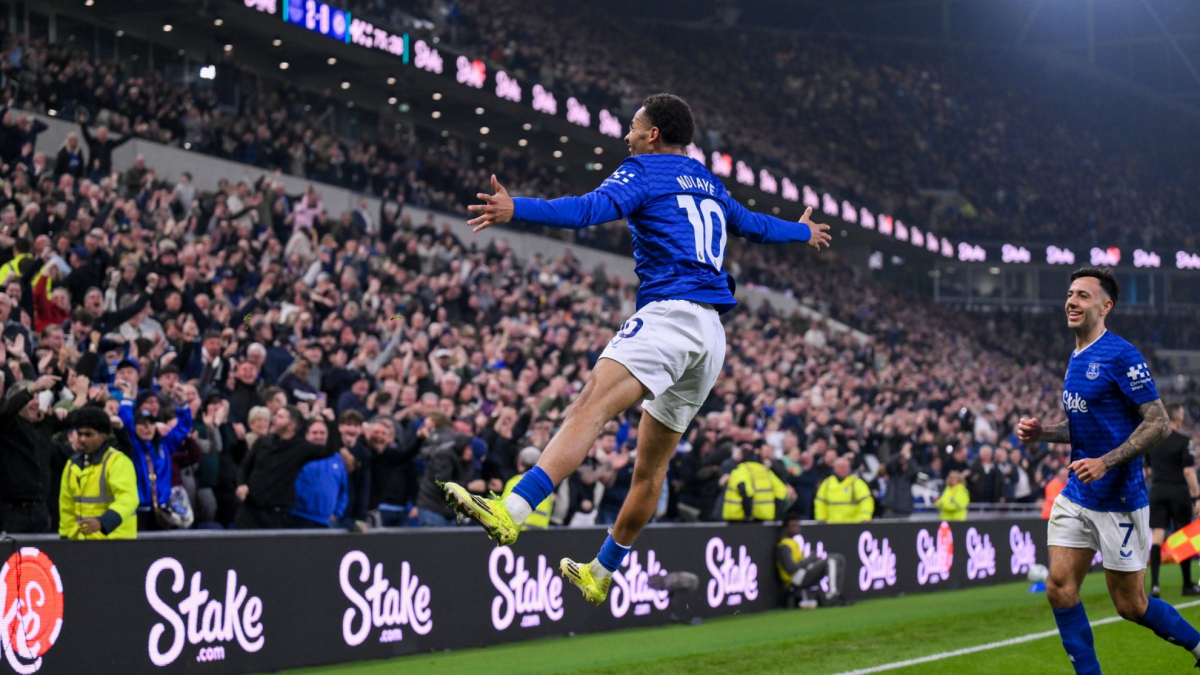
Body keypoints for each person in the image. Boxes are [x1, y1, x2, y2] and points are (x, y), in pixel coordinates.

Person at [440, 92, 831, 605]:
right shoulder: (709, 182)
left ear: (652, 134)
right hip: (712, 337)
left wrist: (519, 208)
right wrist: (801, 230)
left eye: (633, 127)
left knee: (590, 406)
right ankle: (602, 570)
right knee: (650, 470)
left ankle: (512, 510)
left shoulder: (643, 170)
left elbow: (587, 210)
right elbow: (755, 225)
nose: (626, 136)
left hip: (671, 315)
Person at [1017, 267, 1200, 674]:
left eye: (1083, 295)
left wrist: (1106, 461)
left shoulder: (1121, 355)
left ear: (1105, 306)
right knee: (1059, 588)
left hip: (1119, 499)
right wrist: (1043, 433)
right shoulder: (1076, 356)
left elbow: (1158, 423)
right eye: (1070, 294)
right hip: (1077, 494)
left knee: (1131, 605)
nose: (1072, 301)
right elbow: (1085, 426)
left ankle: (1198, 644)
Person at [235, 405, 337, 529]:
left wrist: (330, 422)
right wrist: (241, 484)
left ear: (291, 426)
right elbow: (244, 467)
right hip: (248, 511)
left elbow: (328, 450)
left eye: (280, 417)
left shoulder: (301, 448)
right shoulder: (263, 441)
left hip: (275, 515)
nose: (274, 418)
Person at [0, 374, 67, 533]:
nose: (36, 402)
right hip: (11, 512)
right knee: (12, 550)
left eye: (37, 397)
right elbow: (6, 412)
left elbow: (74, 418)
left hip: (41, 510)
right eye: (31, 398)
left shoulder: (42, 426)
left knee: (42, 550)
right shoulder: (6, 425)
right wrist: (32, 389)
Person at [59, 407, 139, 540]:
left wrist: (103, 522)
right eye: (79, 434)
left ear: (103, 437)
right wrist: (65, 536)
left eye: (88, 435)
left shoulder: (117, 462)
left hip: (116, 541)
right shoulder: (71, 465)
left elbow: (128, 499)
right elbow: (66, 506)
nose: (82, 439)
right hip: (83, 542)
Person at [1146, 402, 1200, 599]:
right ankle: (1187, 584)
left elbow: (1148, 468)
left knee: (1157, 536)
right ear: (1177, 416)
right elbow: (1188, 471)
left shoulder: (1153, 442)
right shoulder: (1184, 441)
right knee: (1183, 535)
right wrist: (1197, 496)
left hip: (1158, 490)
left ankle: (1155, 586)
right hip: (1178, 491)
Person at [289, 418, 349, 529]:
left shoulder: (337, 459)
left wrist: (337, 512)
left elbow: (343, 490)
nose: (319, 436)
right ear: (307, 435)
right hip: (300, 518)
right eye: (314, 433)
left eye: (322, 433)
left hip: (326, 522)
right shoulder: (298, 455)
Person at [776, 516, 845, 607]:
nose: (797, 528)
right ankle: (831, 596)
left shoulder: (792, 542)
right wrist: (809, 559)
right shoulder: (784, 546)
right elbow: (791, 568)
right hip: (796, 579)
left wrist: (812, 561)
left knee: (838, 558)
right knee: (831, 560)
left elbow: (799, 562)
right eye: (793, 526)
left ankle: (836, 593)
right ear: (786, 528)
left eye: (797, 525)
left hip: (803, 573)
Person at [722, 444, 790, 522]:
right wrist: (777, 516)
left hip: (739, 518)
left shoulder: (740, 470)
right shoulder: (764, 470)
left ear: (740, 456)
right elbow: (781, 491)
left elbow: (745, 491)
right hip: (765, 517)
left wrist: (748, 514)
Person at [502, 447, 555, 530]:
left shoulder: (514, 482)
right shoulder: (547, 486)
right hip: (540, 534)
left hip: (516, 533)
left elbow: (503, 511)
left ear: (520, 464)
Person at [814, 457, 874, 524]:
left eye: (847, 467)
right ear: (835, 468)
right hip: (832, 524)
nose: (844, 469)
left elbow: (866, 501)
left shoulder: (856, 483)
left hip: (853, 524)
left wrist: (865, 517)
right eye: (841, 467)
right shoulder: (827, 483)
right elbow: (820, 502)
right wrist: (821, 518)